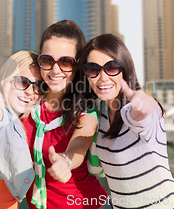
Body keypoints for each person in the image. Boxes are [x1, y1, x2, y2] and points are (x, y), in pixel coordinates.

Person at [70, 34, 174, 208]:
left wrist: (143, 107)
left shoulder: (139, 112)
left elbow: (142, 116)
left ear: (125, 69)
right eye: (93, 69)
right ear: (86, 76)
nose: (103, 77)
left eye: (111, 67)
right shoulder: (100, 118)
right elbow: (98, 170)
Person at [23, 20, 107, 209]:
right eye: (47, 60)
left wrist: (66, 161)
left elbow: (79, 144)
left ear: (78, 66)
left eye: (66, 62)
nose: (55, 70)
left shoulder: (85, 112)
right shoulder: (28, 102)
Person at [0, 50, 43, 209]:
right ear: (7, 79)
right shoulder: (1, 114)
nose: (30, 92)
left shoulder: (21, 120)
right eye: (22, 82)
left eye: (38, 86)